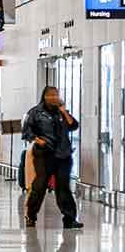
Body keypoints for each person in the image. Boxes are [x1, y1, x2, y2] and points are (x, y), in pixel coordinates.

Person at [22, 85, 82, 229]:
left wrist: (64, 112)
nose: (54, 97)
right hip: (44, 153)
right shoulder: (35, 112)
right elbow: (26, 131)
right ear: (45, 96)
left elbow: (74, 125)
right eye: (51, 95)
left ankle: (69, 219)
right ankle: (31, 215)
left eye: (56, 94)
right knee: (40, 185)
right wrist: (37, 140)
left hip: (63, 155)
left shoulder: (61, 112)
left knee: (63, 187)